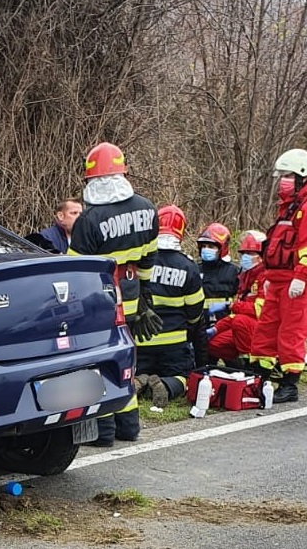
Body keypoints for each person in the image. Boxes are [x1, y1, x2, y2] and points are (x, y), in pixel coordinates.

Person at [68, 142, 161, 444]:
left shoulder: (89, 220)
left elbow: (76, 272)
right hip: (133, 295)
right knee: (125, 362)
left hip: (102, 300)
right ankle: (129, 427)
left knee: (99, 362)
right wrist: (145, 299)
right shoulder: (147, 209)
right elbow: (148, 259)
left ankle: (104, 432)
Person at [251, 149, 307, 403]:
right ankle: (260, 376)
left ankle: (289, 383)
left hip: (297, 282)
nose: (282, 181)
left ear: (300, 176)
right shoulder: (289, 206)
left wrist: (302, 277)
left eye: (286, 175)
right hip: (276, 279)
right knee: (265, 330)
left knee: (292, 332)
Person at [136, 204, 207, 409]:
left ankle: (138, 380)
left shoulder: (141, 260)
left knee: (138, 369)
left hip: (142, 340)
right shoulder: (188, 266)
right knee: (182, 376)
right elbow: (195, 312)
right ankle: (167, 386)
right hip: (174, 343)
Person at [207, 230, 266, 366]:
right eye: (243, 253)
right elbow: (236, 314)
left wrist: (232, 305)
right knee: (213, 343)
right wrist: (216, 329)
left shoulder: (266, 278)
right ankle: (238, 366)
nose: (245, 257)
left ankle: (255, 365)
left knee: (240, 321)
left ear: (262, 256)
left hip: (264, 330)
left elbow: (261, 311)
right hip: (246, 327)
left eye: (250, 253)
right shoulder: (245, 277)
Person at [197, 223, 239, 320]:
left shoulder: (234, 272)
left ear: (222, 249)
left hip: (224, 325)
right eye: (204, 246)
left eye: (211, 247)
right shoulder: (195, 270)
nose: (206, 249)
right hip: (199, 325)